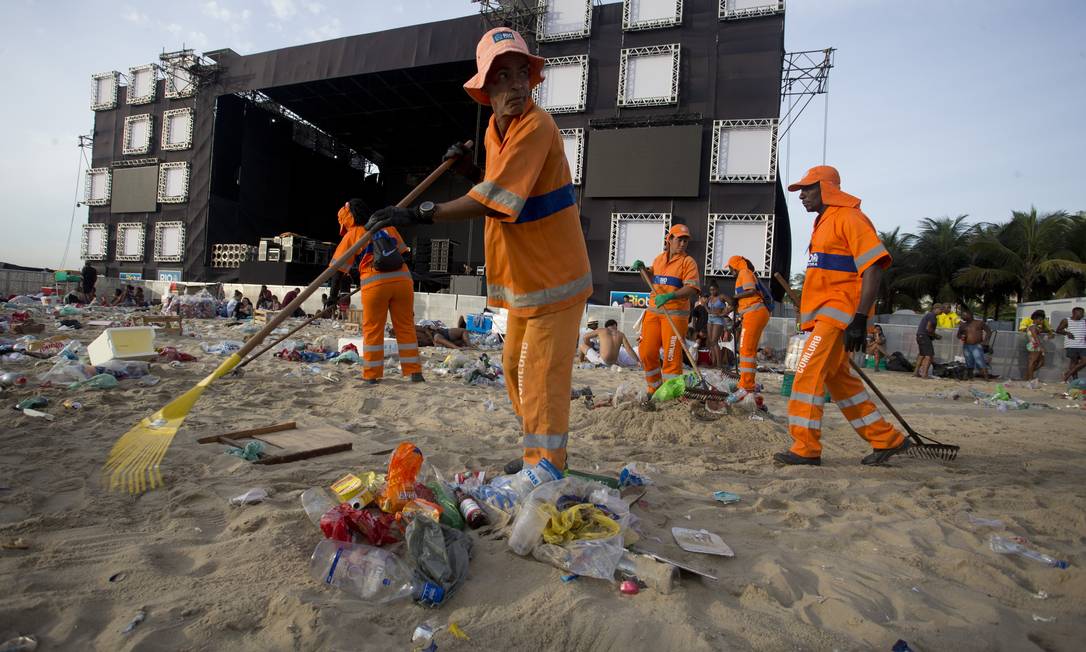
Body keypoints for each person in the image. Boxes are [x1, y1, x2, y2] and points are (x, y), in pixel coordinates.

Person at [361, 27, 592, 471]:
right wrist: (471, 170)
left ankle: (547, 465)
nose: (516, 85)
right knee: (511, 367)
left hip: (556, 278)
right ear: (486, 90)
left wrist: (420, 213)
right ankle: (535, 453)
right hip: (527, 279)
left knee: (543, 377)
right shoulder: (494, 129)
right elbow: (498, 184)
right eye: (503, 77)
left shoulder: (537, 125)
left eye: (521, 73)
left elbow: (500, 199)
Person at [776, 165, 909, 466]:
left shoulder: (849, 217)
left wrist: (860, 318)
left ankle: (805, 448)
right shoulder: (825, 222)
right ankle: (885, 439)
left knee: (807, 374)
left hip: (840, 316)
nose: (802, 196)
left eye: (807, 189)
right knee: (840, 383)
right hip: (828, 317)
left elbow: (873, 266)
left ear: (827, 188)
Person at [328, 198, 422, 385]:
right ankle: (415, 373)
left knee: (373, 330)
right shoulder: (387, 227)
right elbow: (406, 255)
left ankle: (372, 376)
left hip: (375, 286)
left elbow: (337, 271)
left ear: (349, 219)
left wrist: (332, 298)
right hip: (403, 282)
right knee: (405, 327)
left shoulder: (353, 234)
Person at [632, 224, 701, 393]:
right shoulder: (659, 259)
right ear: (669, 239)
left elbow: (692, 288)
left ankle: (671, 393)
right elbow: (651, 279)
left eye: (686, 240)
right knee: (646, 352)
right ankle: (654, 388)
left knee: (671, 357)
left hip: (675, 315)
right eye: (679, 239)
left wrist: (671, 296)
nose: (683, 243)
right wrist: (642, 270)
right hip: (653, 312)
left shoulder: (688, 262)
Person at [728, 255, 770, 401]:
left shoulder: (744, 272)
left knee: (746, 350)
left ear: (733, 267)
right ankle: (748, 383)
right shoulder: (745, 273)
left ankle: (746, 387)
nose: (730, 273)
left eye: (730, 270)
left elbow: (751, 292)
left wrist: (735, 296)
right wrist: (739, 320)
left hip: (755, 313)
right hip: (754, 313)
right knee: (749, 350)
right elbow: (747, 302)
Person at [956, 309, 995, 380]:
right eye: (962, 315)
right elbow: (958, 335)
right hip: (966, 346)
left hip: (976, 345)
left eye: (964, 315)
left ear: (970, 315)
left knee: (980, 361)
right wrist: (961, 336)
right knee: (969, 361)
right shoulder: (963, 325)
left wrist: (985, 342)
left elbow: (989, 331)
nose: (962, 316)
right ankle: (970, 377)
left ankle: (986, 377)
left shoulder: (979, 323)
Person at [1056, 307, 1085, 380]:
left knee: (1084, 361)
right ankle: (1075, 380)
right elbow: (1058, 330)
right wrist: (1067, 333)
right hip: (1071, 344)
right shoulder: (1066, 320)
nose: (1082, 314)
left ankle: (1068, 373)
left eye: (1083, 313)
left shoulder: (1084, 321)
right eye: (1081, 313)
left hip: (1083, 345)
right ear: (1074, 313)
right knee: (1074, 362)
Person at [914, 304, 943, 379]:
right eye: (941, 309)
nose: (942, 311)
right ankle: (924, 374)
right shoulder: (932, 315)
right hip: (924, 336)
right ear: (936, 308)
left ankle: (916, 372)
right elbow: (928, 328)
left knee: (922, 355)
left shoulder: (929, 315)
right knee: (929, 356)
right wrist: (936, 335)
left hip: (920, 335)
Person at [705, 283, 729, 370]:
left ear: (717, 289)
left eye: (714, 289)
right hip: (710, 319)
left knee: (715, 341)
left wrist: (724, 313)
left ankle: (719, 364)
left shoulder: (722, 297)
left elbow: (732, 304)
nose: (712, 291)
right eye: (711, 290)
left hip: (718, 320)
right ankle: (714, 363)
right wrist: (708, 310)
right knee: (711, 342)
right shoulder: (710, 297)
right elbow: (704, 304)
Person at [1024, 309, 1052, 381]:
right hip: (1034, 345)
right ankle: (1030, 378)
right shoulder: (1033, 327)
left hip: (1036, 345)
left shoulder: (1036, 327)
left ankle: (1028, 375)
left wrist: (1049, 332)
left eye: (1042, 320)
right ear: (1035, 319)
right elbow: (1035, 337)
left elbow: (1043, 331)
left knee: (1041, 363)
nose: (1041, 321)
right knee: (1033, 362)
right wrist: (1041, 347)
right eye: (1040, 320)